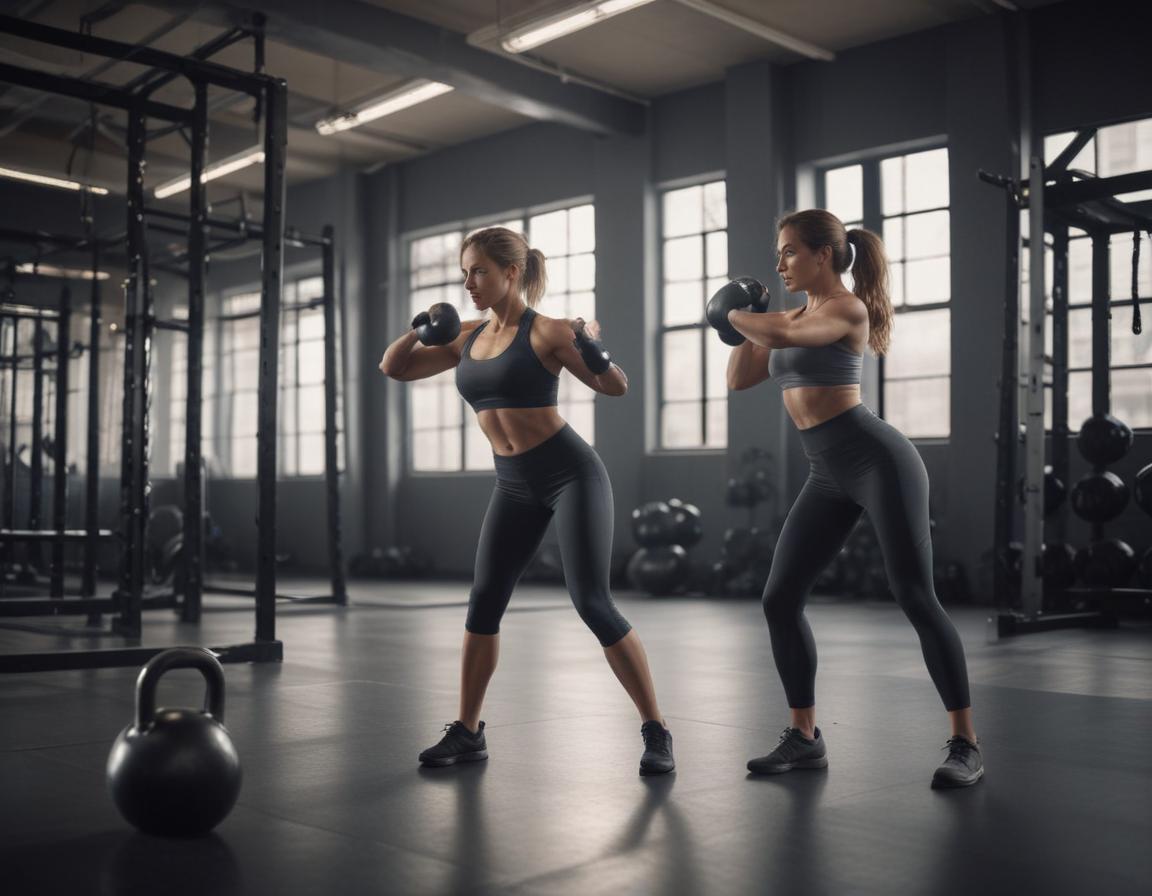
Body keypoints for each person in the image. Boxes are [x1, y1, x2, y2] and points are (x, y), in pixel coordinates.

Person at [379, 226, 674, 776]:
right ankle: (467, 732)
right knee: (484, 601)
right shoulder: (466, 336)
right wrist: (420, 329)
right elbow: (393, 367)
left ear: (511, 272)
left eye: (479, 271)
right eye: (464, 272)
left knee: (592, 601)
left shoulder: (549, 331)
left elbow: (616, 387)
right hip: (513, 482)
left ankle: (656, 729)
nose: (468, 282)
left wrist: (594, 350)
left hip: (569, 475)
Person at [708, 209, 983, 789]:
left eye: (788, 251)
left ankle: (966, 744)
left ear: (823, 255)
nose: (779, 262)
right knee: (779, 598)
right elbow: (738, 378)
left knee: (914, 595)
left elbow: (781, 336)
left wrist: (733, 311)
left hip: (878, 460)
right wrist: (738, 325)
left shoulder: (844, 309)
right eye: (778, 252)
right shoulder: (791, 313)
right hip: (825, 471)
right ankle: (805, 737)